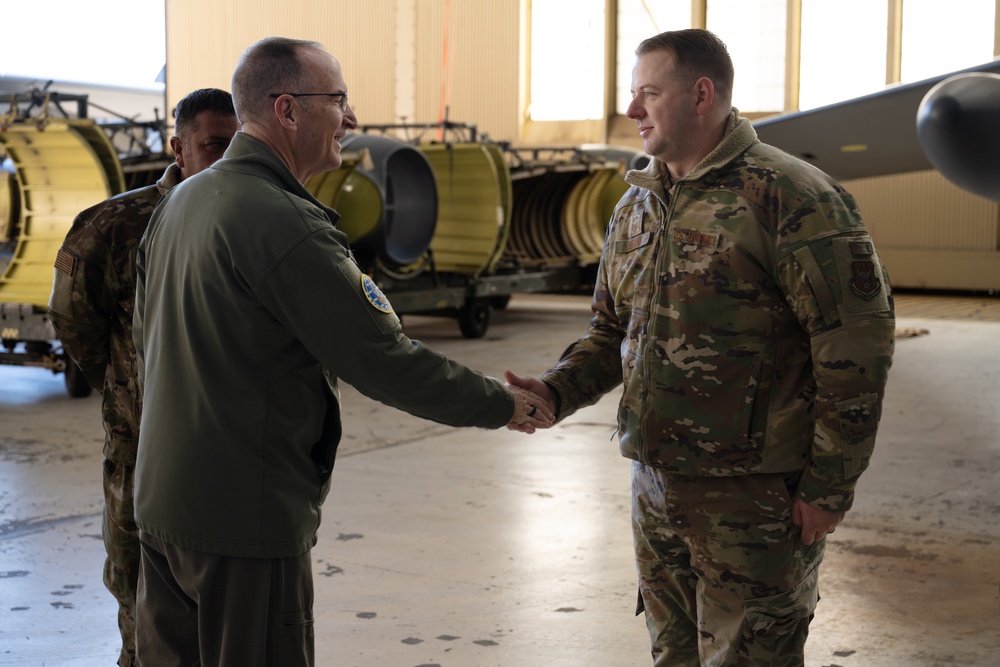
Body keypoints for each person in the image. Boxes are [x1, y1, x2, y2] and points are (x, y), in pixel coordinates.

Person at [131, 36, 553, 666]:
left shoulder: (182, 202)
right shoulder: (281, 222)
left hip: (165, 509)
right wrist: (506, 403)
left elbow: (147, 338)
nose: (352, 119)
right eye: (339, 100)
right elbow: (385, 361)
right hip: (242, 521)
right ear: (288, 110)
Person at [506, 29, 895, 666]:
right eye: (633, 95)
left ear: (701, 95)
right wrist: (554, 392)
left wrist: (830, 486)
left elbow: (854, 351)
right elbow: (612, 334)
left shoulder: (793, 198)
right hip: (655, 486)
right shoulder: (636, 204)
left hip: (756, 497)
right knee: (673, 655)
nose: (632, 111)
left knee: (751, 656)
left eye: (648, 94)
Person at [48, 87, 239, 667]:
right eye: (214, 146)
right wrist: (126, 386)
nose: (228, 159)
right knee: (140, 588)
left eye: (239, 146)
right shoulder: (117, 225)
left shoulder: (253, 218)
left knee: (227, 599)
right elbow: (74, 318)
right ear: (178, 147)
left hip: (229, 443)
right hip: (142, 443)